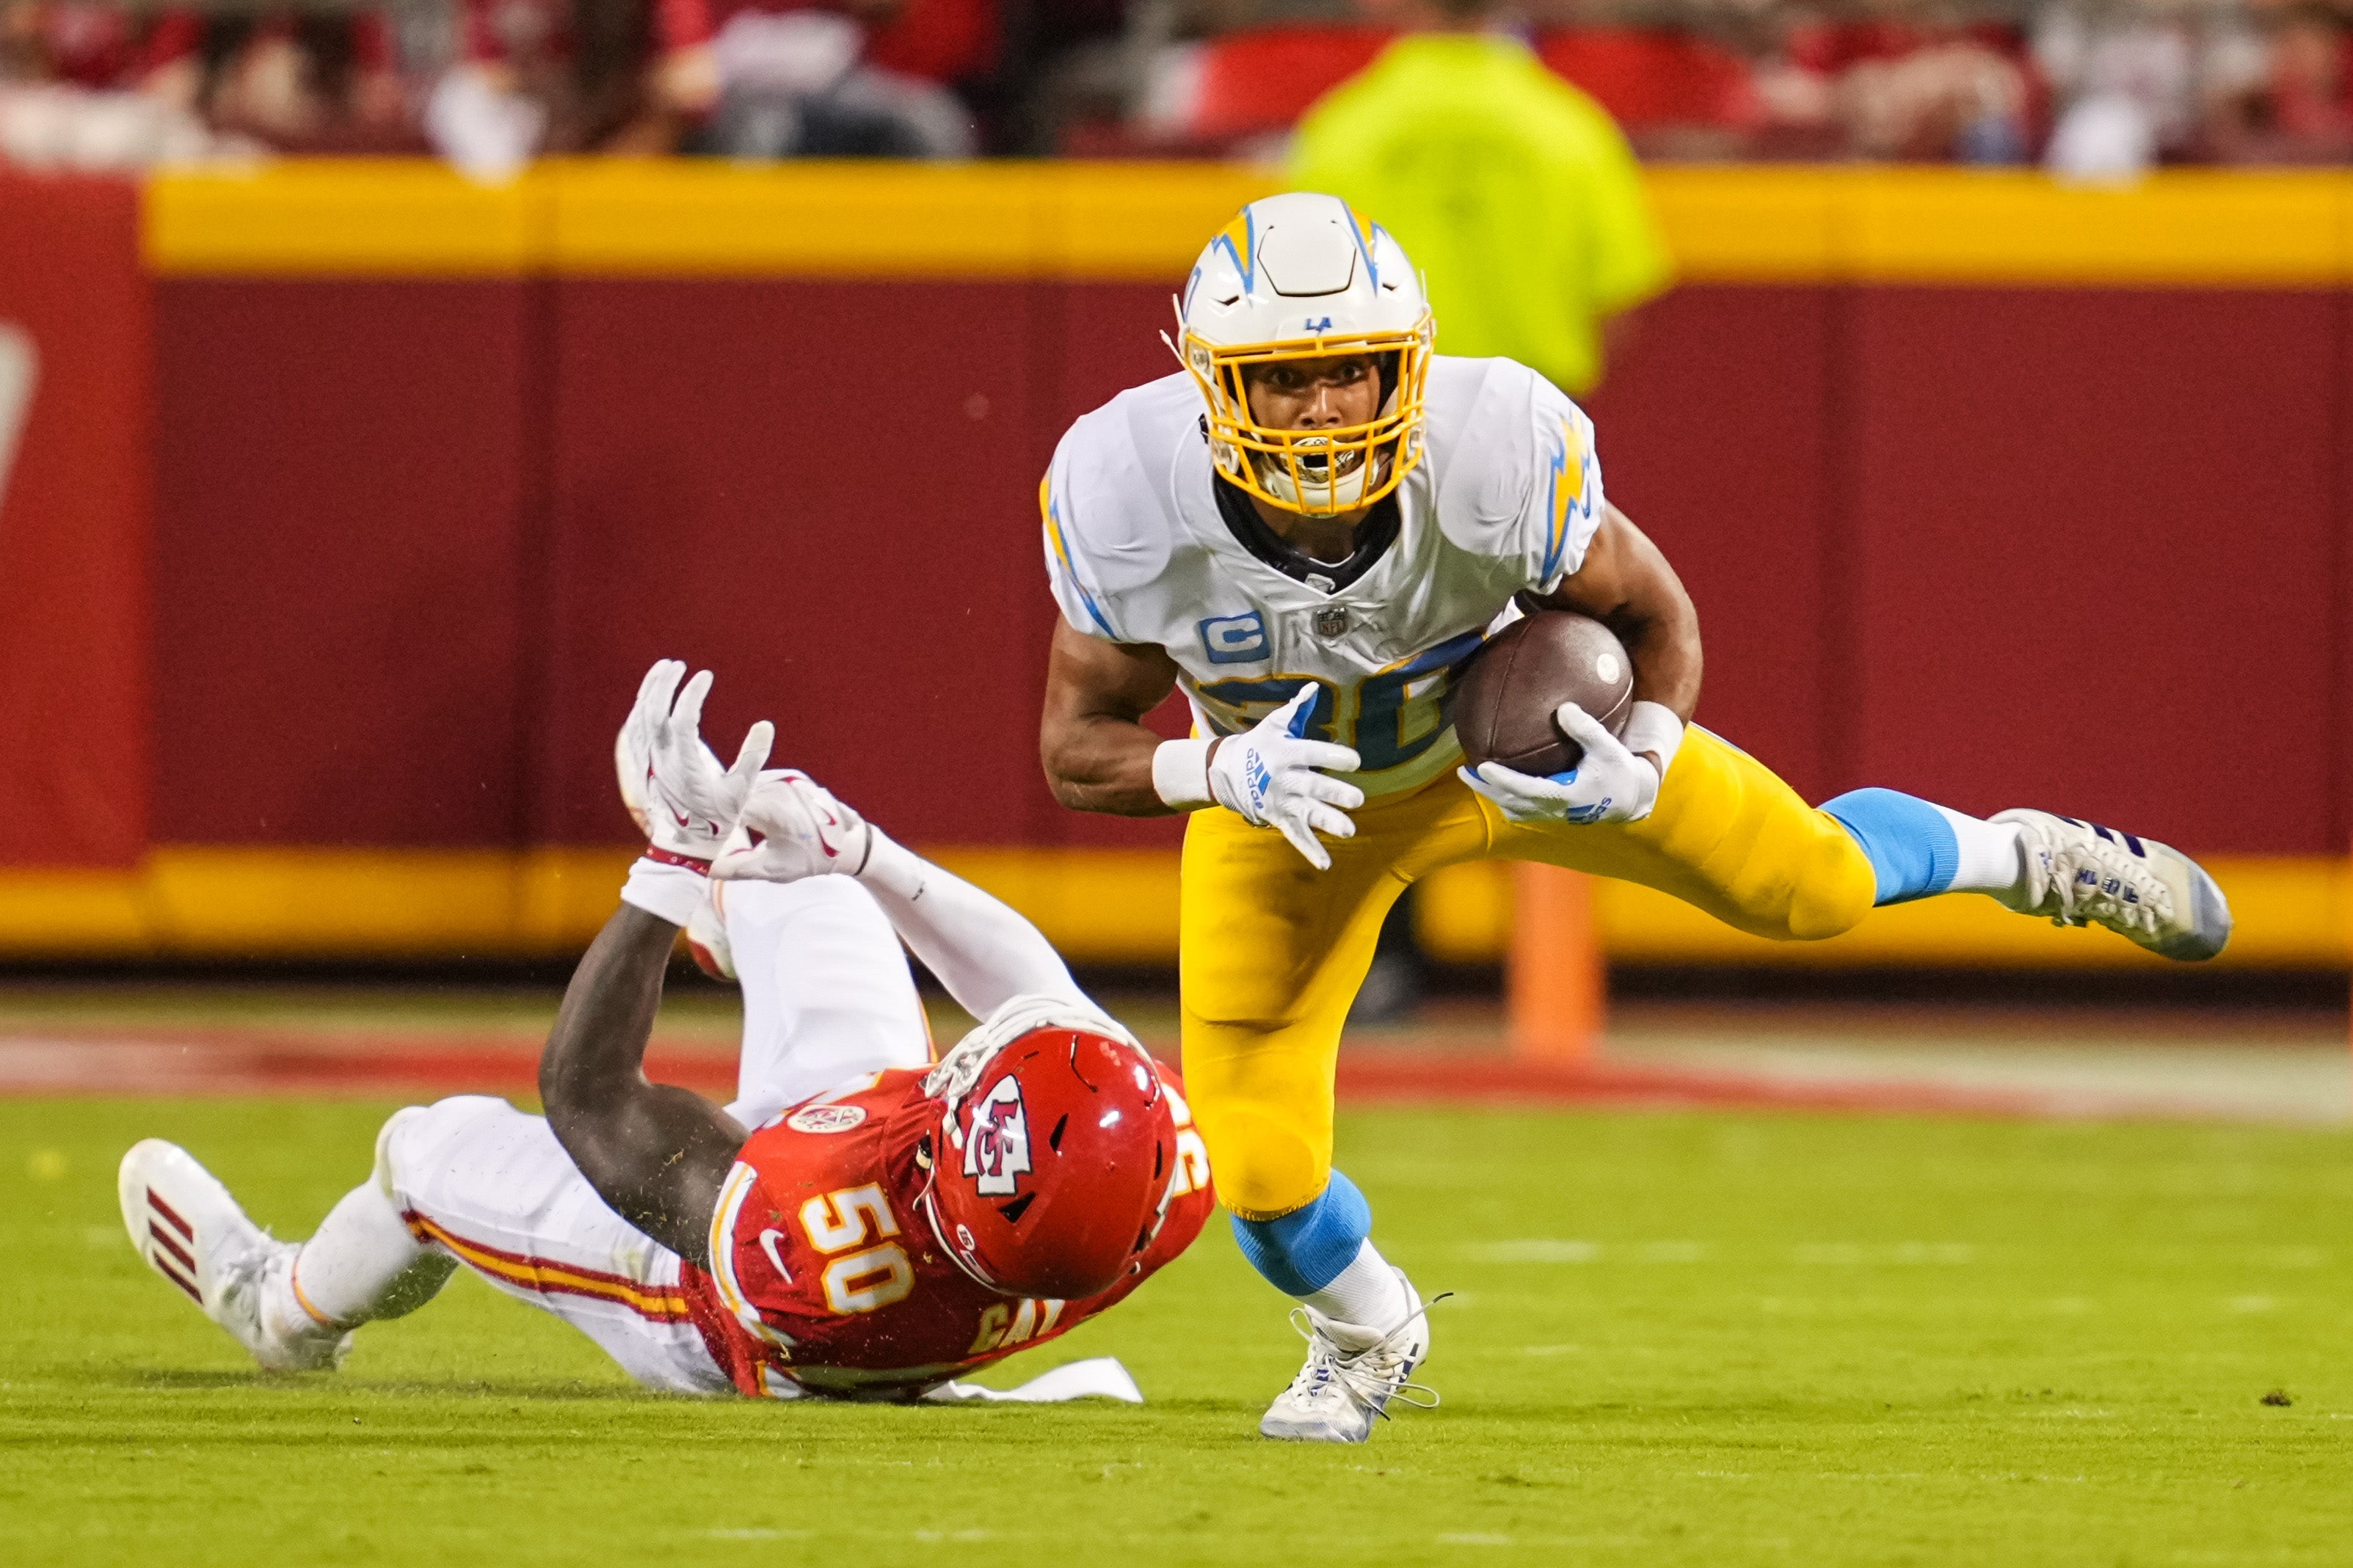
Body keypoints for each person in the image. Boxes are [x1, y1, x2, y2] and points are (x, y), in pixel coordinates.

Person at [1033, 192, 2231, 1443]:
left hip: (1521, 760)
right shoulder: (1128, 492)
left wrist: (1645, 759)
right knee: (1261, 1170)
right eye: (1286, 380)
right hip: (1297, 818)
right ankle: (1367, 1327)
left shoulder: (1492, 446)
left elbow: (1656, 617)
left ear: (1409, 364)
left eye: (1353, 370)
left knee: (1813, 889)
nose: (1325, 407)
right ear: (1215, 381)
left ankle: (2023, 853)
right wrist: (1209, 772)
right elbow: (1074, 749)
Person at [122, 661, 1214, 1402]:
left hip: (711, 1295)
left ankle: (279, 1308)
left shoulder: (800, 1243)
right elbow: (1041, 1002)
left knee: (424, 1149)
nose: (964, 1061)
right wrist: (867, 849)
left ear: (942, 1163)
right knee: (819, 877)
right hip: (877, 1201)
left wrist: (665, 872)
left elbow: (590, 1095)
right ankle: (729, 900)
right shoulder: (1151, 1172)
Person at [1289, 0, 1672, 401]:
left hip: (1383, 411)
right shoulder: (1571, 128)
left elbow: (1294, 290)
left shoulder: (1337, 131)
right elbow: (1617, 299)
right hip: (1531, 410)